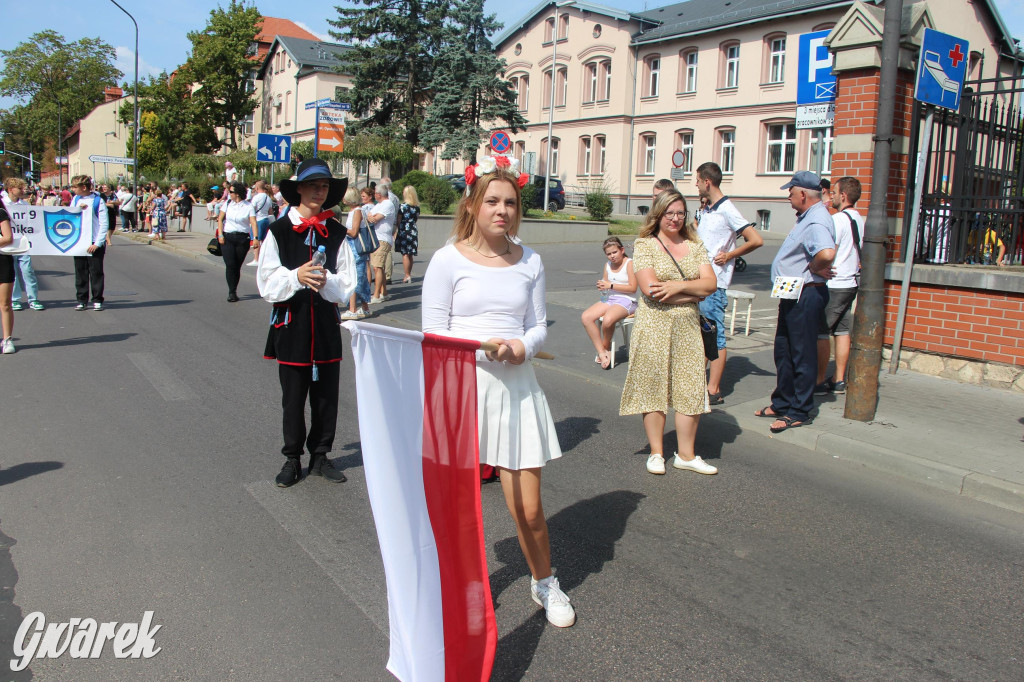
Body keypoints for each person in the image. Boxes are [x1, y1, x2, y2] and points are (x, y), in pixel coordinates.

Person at [421, 156, 577, 628]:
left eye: (510, 202)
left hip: (515, 391)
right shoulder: (447, 259)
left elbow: (538, 328)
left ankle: (544, 582)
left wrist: (522, 347)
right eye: (492, 200)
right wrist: (485, 350)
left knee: (528, 508)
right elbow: (434, 334)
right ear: (472, 204)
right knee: (457, 508)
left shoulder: (530, 260)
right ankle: (461, 585)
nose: (502, 210)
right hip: (461, 392)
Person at [257, 159, 356, 488]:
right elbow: (267, 283)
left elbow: (347, 285)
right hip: (292, 326)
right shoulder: (278, 231)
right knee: (293, 398)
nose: (319, 190)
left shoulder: (338, 233)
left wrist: (325, 281)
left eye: (325, 186)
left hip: (325, 327)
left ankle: (320, 456)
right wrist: (296, 276)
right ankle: (291, 458)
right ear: (298, 188)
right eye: (313, 184)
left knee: (326, 397)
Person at [619, 190, 719, 476]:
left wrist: (675, 287)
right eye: (669, 213)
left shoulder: (694, 244)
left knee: (690, 386)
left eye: (680, 213)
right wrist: (692, 289)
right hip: (654, 326)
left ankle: (686, 454)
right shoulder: (645, 245)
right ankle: (656, 452)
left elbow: (710, 284)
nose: (675, 219)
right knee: (654, 386)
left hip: (688, 327)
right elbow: (651, 291)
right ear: (658, 214)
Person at [755, 171, 836, 433]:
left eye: (791, 191)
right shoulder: (808, 216)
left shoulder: (816, 220)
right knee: (784, 350)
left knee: (801, 354)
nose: (788, 196)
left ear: (803, 194)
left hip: (806, 293)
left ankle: (799, 411)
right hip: (793, 292)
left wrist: (813, 265)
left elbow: (826, 252)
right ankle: (783, 402)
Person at [693, 161, 764, 405]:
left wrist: (730, 254)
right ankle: (698, 382)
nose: (696, 184)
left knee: (715, 335)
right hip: (701, 282)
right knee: (702, 333)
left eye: (698, 180)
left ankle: (713, 390)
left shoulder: (727, 208)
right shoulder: (709, 209)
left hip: (715, 283)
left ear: (707, 182)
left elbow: (755, 240)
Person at [816, 176, 864, 395]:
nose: (831, 196)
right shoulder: (859, 219)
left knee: (821, 332)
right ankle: (839, 379)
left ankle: (817, 380)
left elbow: (829, 250)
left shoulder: (838, 220)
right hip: (851, 282)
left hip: (835, 283)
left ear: (843, 195)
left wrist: (817, 268)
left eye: (834, 192)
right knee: (842, 330)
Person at [581, 236, 637, 369]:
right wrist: (602, 287)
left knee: (607, 320)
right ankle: (602, 351)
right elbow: (605, 284)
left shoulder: (629, 263)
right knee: (586, 317)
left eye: (614, 252)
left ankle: (605, 347)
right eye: (608, 254)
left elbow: (633, 288)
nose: (612, 256)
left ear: (622, 250)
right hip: (610, 298)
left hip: (627, 300)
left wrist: (610, 285)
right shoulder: (607, 265)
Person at [70, 176, 109, 311]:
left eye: (75, 187)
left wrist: (98, 243)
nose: (73, 189)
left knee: (96, 271)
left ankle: (97, 299)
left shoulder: (98, 201)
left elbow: (103, 223)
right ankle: (82, 299)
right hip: (79, 240)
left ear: (84, 187)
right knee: (80, 271)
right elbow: (70, 216)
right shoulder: (75, 199)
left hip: (93, 241)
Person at [4, 179, 45, 312]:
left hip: (23, 243)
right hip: (8, 244)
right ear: (11, 189)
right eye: (20, 189)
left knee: (28, 271)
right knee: (13, 273)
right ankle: (15, 299)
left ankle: (33, 299)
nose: (24, 191)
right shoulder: (3, 203)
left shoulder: (23, 204)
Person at [217, 181, 257, 302]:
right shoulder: (228, 203)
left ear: (238, 194)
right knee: (230, 265)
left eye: (231, 192)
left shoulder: (248, 206)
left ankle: (234, 288)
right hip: (227, 237)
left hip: (242, 239)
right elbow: (220, 219)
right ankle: (232, 292)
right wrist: (220, 234)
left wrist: (255, 238)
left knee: (237, 266)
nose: (229, 194)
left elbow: (253, 222)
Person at [340, 187, 372, 320]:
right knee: (361, 279)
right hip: (355, 249)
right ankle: (365, 308)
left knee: (354, 278)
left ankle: (352, 309)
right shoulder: (355, 211)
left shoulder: (357, 212)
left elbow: (353, 232)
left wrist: (340, 228)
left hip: (356, 250)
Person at [365, 182, 396, 302]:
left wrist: (372, 217)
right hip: (376, 238)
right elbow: (369, 215)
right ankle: (384, 292)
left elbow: (375, 218)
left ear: (379, 194)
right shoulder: (379, 204)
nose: (374, 195)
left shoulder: (388, 204)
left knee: (378, 266)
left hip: (383, 239)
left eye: (375, 193)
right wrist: (371, 217)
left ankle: (377, 295)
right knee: (378, 267)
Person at [0, 195, 16, 353]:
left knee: (5, 303)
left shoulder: (1, 213)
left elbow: (8, 238)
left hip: (2, 262)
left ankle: (7, 340)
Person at [396, 185, 420, 283]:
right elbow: (415, 219)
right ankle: (409, 273)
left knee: (405, 254)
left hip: (404, 231)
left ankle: (407, 275)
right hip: (413, 230)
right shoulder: (417, 207)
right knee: (410, 254)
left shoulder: (402, 207)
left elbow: (399, 220)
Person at [248, 181, 274, 266]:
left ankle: (256, 259)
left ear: (257, 188)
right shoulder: (268, 198)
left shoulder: (256, 197)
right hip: (265, 219)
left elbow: (252, 209)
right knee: (263, 240)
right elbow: (270, 211)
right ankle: (262, 258)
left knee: (256, 240)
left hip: (258, 220)